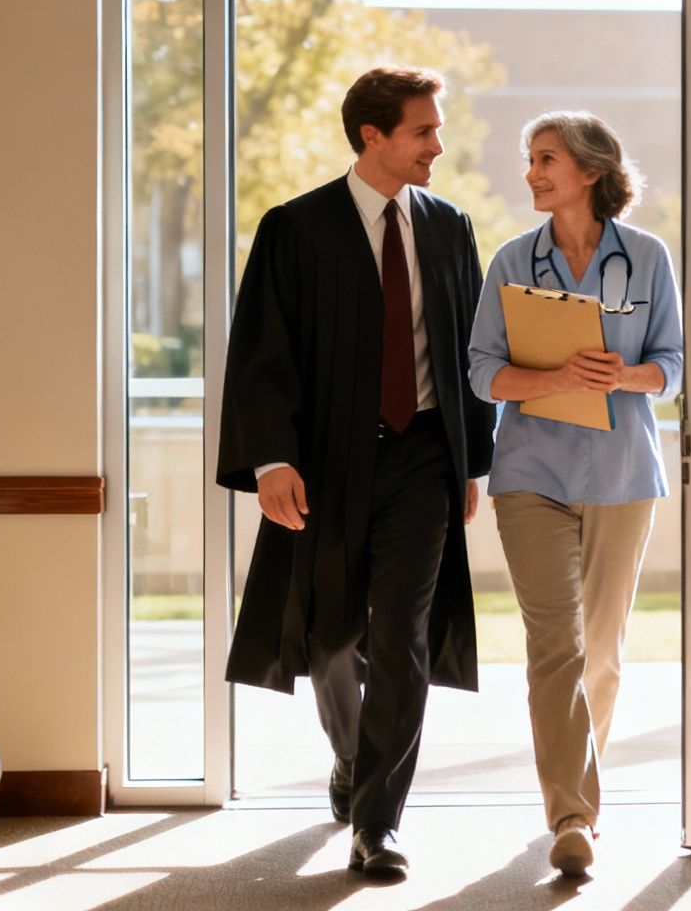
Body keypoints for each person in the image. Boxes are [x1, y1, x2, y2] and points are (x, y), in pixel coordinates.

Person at [219, 65, 496, 880]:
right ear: (373, 135)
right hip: (329, 461)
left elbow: (467, 358)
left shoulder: (449, 227)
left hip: (422, 460)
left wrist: (472, 460)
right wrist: (271, 460)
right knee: (332, 636)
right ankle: (352, 758)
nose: (437, 146)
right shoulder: (295, 229)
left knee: (401, 635)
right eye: (423, 131)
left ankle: (378, 820)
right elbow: (260, 354)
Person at [467, 112, 684, 877]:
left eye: (546, 159)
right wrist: (554, 379)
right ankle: (573, 815)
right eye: (529, 158)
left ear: (590, 171)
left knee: (603, 651)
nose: (531, 172)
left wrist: (624, 376)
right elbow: (482, 371)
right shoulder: (511, 262)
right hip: (531, 474)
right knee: (553, 646)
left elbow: (675, 365)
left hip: (624, 475)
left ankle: (577, 791)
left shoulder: (648, 258)